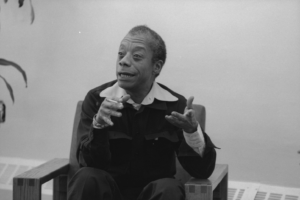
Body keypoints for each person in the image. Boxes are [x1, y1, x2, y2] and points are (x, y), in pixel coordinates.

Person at [67, 25, 217, 200]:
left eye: (136, 56)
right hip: (107, 194)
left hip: (154, 195)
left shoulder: (175, 106)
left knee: (169, 187)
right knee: (87, 177)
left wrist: (192, 133)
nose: (123, 61)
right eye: (121, 54)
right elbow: (88, 165)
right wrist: (98, 126)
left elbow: (202, 170)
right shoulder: (97, 99)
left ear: (157, 67)